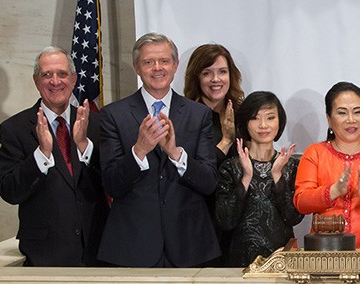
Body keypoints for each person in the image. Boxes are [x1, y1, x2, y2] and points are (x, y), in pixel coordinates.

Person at [99, 32, 220, 267]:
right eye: (148, 62)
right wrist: (139, 151)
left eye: (164, 61)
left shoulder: (199, 114)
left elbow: (209, 183)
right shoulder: (113, 115)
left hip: (190, 245)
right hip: (133, 246)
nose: (157, 68)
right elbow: (111, 184)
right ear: (137, 67)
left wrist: (176, 153)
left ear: (175, 66)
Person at [0, 46, 108, 266]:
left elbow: (113, 179)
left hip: (99, 250)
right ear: (36, 81)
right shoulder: (15, 128)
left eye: (62, 74)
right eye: (47, 75)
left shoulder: (97, 123)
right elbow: (9, 191)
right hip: (45, 255)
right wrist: (41, 154)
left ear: (74, 79)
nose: (55, 81)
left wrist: (84, 145)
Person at [294, 82, 360, 249]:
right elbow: (301, 202)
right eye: (342, 113)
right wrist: (333, 191)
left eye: (357, 112)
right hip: (325, 251)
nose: (351, 120)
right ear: (329, 119)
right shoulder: (315, 153)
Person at [214, 92, 302, 266]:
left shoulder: (290, 166)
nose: (263, 125)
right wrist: (246, 177)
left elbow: (294, 217)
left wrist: (277, 175)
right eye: (255, 118)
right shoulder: (230, 167)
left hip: (281, 262)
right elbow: (225, 220)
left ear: (280, 122)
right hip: (240, 263)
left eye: (270, 118)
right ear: (246, 123)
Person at [183, 43, 245, 162]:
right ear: (196, 78)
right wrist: (226, 142)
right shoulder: (186, 117)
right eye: (207, 73)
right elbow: (194, 169)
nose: (216, 79)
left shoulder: (243, 113)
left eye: (222, 72)